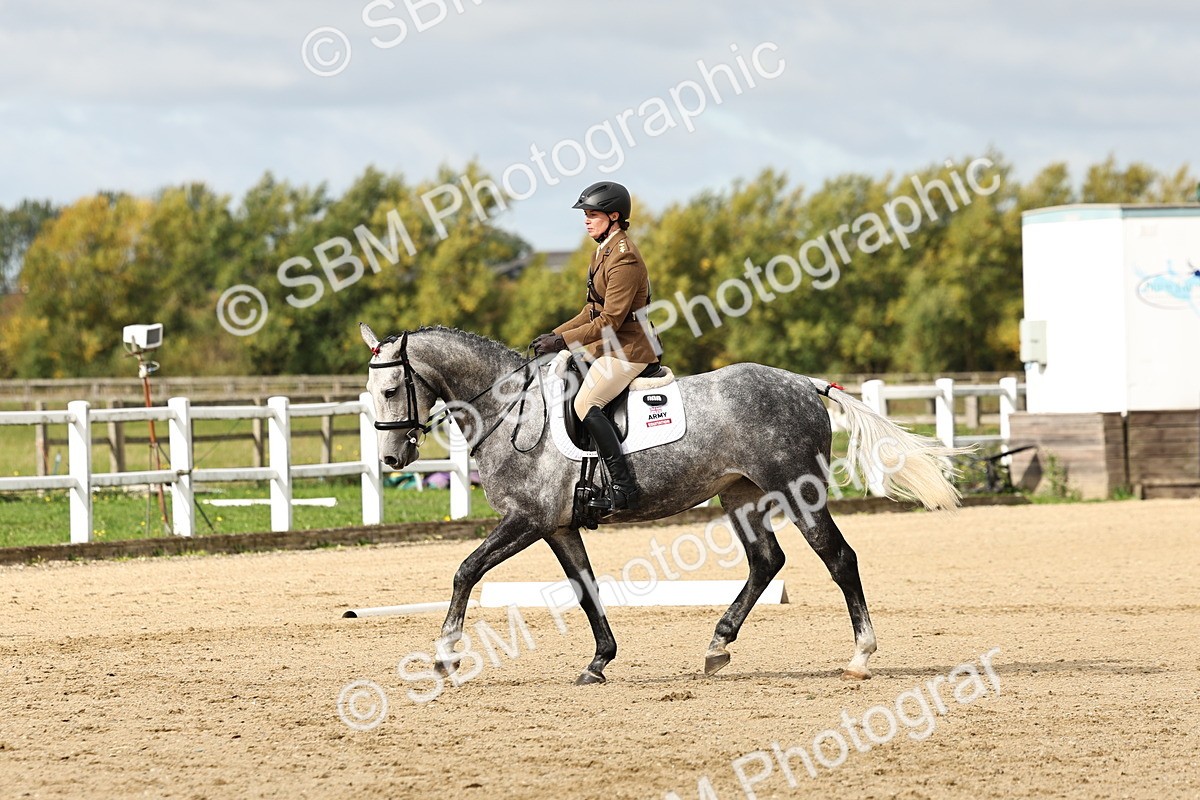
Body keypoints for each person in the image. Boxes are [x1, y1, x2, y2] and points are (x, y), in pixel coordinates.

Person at [531, 181, 660, 510]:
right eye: (585, 215)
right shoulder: (601, 251)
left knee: (586, 404)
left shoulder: (625, 258)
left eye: (592, 214)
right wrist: (553, 335)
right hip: (609, 348)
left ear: (614, 216)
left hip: (631, 350)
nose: (586, 220)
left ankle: (623, 486)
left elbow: (610, 321)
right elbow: (591, 310)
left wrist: (561, 341)